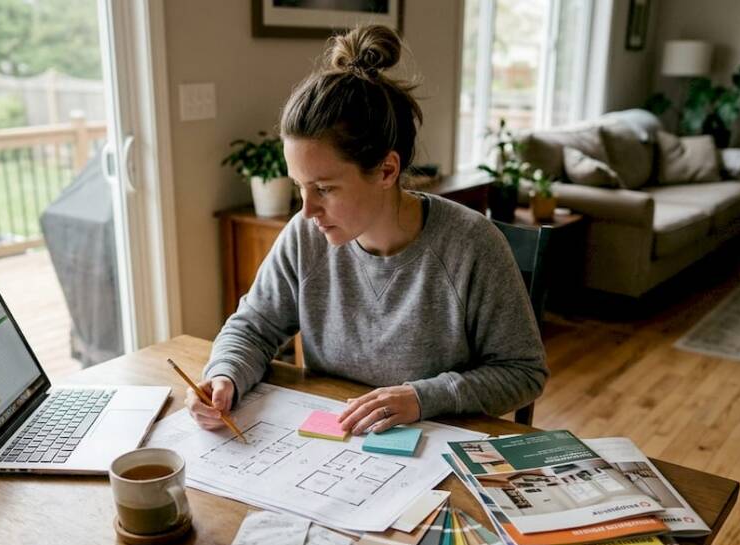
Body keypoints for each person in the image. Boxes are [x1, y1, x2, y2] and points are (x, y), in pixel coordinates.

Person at [187, 24, 548, 436]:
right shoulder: (305, 236)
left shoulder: (472, 245)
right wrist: (226, 374)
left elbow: (524, 372)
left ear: (387, 170)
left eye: (324, 188)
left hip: (435, 446)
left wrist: (422, 398)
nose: (307, 210)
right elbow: (254, 326)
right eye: (299, 187)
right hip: (334, 444)